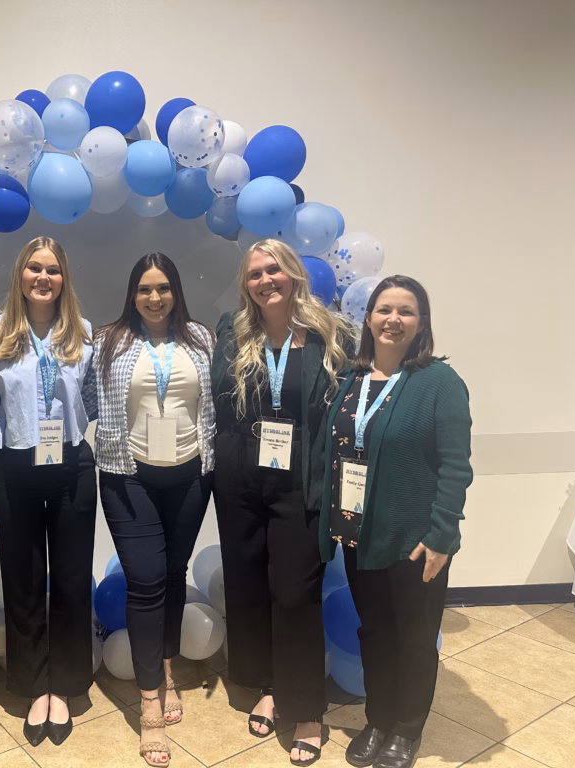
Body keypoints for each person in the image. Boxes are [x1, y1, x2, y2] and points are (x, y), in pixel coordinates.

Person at [320, 276, 472, 768]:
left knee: (414, 636)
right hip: (359, 534)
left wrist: (442, 535)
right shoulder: (352, 380)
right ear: (367, 318)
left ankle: (407, 729)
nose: (393, 319)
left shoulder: (439, 384)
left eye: (406, 311)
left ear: (421, 322)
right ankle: (379, 718)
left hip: (414, 539)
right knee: (375, 632)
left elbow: (456, 465)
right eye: (384, 309)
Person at [211, 239, 353, 766]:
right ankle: (269, 685)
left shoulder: (331, 333)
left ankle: (308, 708)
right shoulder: (234, 331)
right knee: (249, 587)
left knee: (295, 594)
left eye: (273, 270)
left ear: (293, 274)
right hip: (241, 481)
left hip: (301, 484)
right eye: (254, 274)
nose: (264, 281)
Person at [94, 253, 216, 768]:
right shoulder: (107, 341)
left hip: (191, 474)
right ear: (132, 293)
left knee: (171, 573)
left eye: (163, 287)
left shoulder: (202, 340)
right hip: (128, 475)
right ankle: (148, 703)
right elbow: (81, 397)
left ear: (176, 291)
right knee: (145, 579)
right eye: (144, 288)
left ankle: (165, 669)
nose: (154, 296)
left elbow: (214, 404)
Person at [0, 236, 97, 747]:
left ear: (64, 278)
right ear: (20, 276)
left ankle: (63, 687)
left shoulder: (83, 333)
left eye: (52, 270)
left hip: (70, 462)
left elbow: (90, 395)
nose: (42, 278)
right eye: (33, 268)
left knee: (69, 580)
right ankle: (32, 685)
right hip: (18, 464)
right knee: (23, 579)